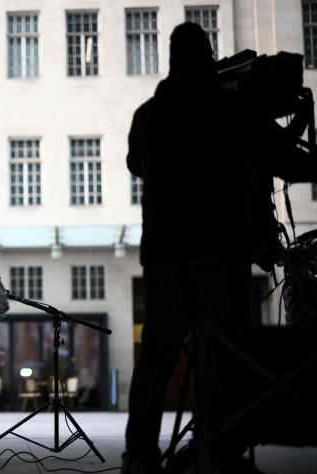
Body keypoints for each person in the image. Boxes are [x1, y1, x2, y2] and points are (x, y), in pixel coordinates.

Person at [122, 22, 317, 474]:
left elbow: (136, 162)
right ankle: (220, 453)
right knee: (225, 355)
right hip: (219, 252)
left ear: (171, 61)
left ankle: (138, 457)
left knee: (156, 358)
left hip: (167, 256)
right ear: (208, 57)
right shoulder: (232, 109)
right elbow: (285, 160)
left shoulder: (149, 115)